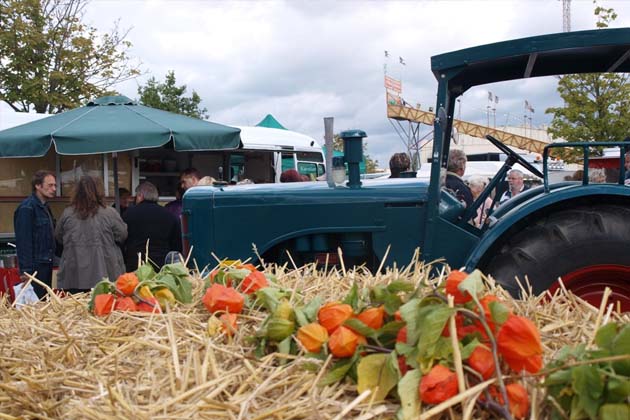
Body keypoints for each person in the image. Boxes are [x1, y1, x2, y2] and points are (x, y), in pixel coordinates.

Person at [55, 176, 127, 293]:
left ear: (77, 192)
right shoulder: (109, 213)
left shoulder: (67, 213)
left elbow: (59, 237)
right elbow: (122, 235)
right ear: (100, 191)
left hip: (74, 275)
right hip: (105, 273)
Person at [13, 170, 58, 298]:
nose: (54, 189)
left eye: (55, 185)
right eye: (50, 185)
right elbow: (24, 241)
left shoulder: (45, 207)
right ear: (38, 186)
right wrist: (26, 272)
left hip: (46, 264)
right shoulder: (27, 208)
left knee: (44, 304)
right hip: (35, 268)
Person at [123, 182, 182, 272]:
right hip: (161, 266)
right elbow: (177, 245)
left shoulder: (128, 214)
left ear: (140, 196)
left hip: (135, 265)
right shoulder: (169, 216)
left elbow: (123, 240)